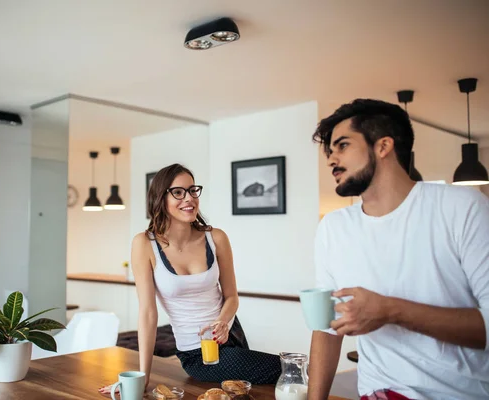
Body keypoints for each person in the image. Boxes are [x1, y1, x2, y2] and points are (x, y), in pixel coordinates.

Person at [308, 99, 489, 400]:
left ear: (383, 146)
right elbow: (326, 327)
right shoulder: (334, 227)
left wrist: (390, 310)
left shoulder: (463, 207)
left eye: (342, 146)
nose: (330, 159)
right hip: (379, 393)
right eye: (329, 151)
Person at [99, 163, 282, 396]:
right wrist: (143, 376)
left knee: (256, 389)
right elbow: (147, 313)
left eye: (192, 190)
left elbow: (231, 296)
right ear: (160, 198)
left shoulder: (216, 237)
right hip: (196, 354)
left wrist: (224, 321)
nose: (189, 198)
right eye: (178, 192)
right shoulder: (144, 244)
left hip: (231, 337)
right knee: (288, 368)